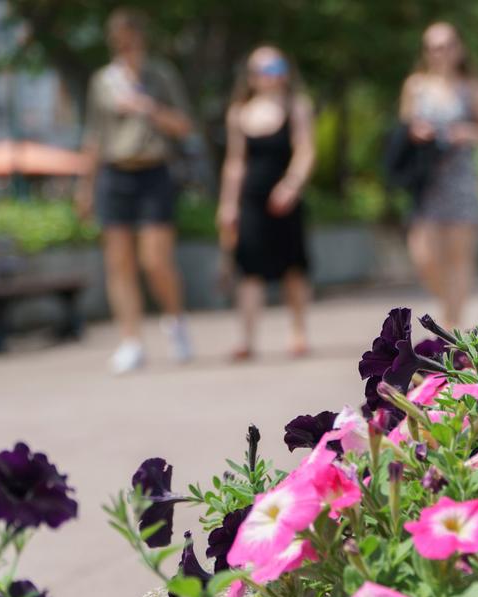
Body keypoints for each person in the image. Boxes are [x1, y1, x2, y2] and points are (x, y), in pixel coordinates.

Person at [76, 7, 193, 375]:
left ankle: (175, 321)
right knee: (119, 263)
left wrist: (148, 107)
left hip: (154, 172)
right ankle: (131, 340)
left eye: (132, 37)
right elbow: (94, 136)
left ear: (141, 39)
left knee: (155, 261)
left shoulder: (160, 75)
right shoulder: (103, 81)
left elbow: (183, 126)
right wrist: (85, 186)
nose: (126, 45)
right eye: (120, 39)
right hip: (114, 173)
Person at [217, 46, 315, 360]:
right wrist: (228, 204)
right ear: (251, 76)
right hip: (251, 199)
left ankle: (298, 332)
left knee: (293, 267)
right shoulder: (239, 112)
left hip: (286, 197)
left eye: (275, 67)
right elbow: (235, 163)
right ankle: (246, 338)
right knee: (249, 267)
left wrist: (291, 185)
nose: (269, 76)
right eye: (262, 69)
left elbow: (305, 150)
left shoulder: (296, 106)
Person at [399, 22, 478, 329]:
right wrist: (416, 131)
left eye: (448, 44)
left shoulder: (471, 86)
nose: (442, 52)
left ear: (459, 48)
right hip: (426, 182)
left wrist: (467, 133)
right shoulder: (416, 86)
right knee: (423, 256)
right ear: (426, 52)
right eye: (435, 47)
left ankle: (453, 323)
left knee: (459, 258)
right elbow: (402, 131)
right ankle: (449, 305)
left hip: (460, 180)